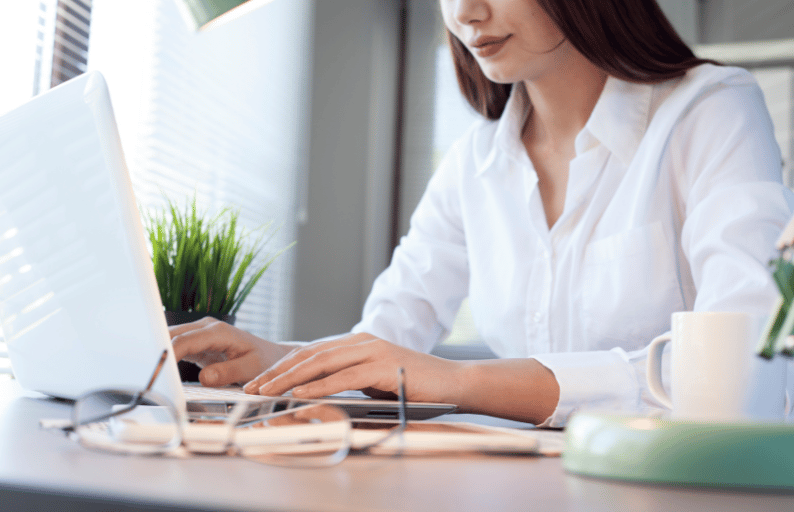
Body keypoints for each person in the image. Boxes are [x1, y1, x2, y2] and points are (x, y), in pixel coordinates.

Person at [171, 0, 794, 427]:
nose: (465, 12)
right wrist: (277, 359)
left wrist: (462, 382)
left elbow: (747, 372)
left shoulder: (710, 112)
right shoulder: (477, 159)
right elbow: (389, 338)